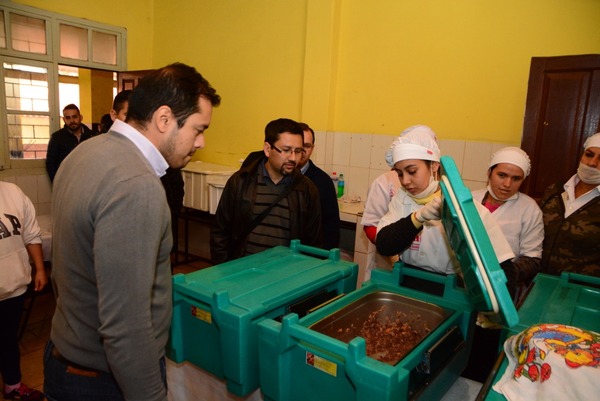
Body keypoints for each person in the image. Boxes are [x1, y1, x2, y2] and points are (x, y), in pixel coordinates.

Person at [44, 63, 221, 401]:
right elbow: (126, 328)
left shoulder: (87, 151)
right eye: (198, 129)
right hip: (103, 380)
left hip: (64, 357)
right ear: (164, 118)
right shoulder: (136, 185)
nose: (201, 142)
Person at [376, 125, 514, 277]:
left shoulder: (462, 204)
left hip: (448, 287)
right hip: (405, 279)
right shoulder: (401, 199)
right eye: (400, 174)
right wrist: (417, 218)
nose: (405, 181)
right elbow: (384, 245)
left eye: (412, 171)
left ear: (434, 166)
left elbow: (501, 265)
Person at [211, 118, 323, 264]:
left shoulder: (308, 190)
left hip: (284, 276)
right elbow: (220, 231)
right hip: (242, 273)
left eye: (298, 151)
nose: (293, 158)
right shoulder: (241, 182)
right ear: (267, 149)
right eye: (286, 150)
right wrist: (222, 271)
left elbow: (314, 243)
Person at [472, 147, 544, 300]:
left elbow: (532, 259)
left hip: (504, 288)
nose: (507, 184)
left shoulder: (529, 209)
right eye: (502, 175)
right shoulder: (470, 200)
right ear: (489, 173)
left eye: (516, 178)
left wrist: (501, 275)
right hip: (465, 281)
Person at [0, 182, 48, 401]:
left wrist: (39, 268)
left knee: (8, 340)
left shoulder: (13, 192)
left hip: (13, 288)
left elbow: (31, 234)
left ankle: (13, 385)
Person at [539, 132, 600, 277]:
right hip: (540, 284)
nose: (592, 163)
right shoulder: (555, 190)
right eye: (589, 155)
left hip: (581, 292)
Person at [295, 123, 340, 249]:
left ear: (313, 148)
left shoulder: (323, 181)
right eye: (299, 145)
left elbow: (331, 226)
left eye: (307, 146)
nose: (302, 151)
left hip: (309, 254)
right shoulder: (280, 176)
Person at [360, 169, 401, 281]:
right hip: (385, 262)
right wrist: (391, 251)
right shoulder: (384, 182)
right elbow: (370, 225)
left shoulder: (437, 184)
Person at [45, 104, 96, 183]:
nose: (72, 121)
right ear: (64, 119)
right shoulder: (57, 138)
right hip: (67, 183)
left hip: (89, 182)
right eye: (68, 118)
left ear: (80, 117)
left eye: (74, 117)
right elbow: (51, 164)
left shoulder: (91, 136)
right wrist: (58, 184)